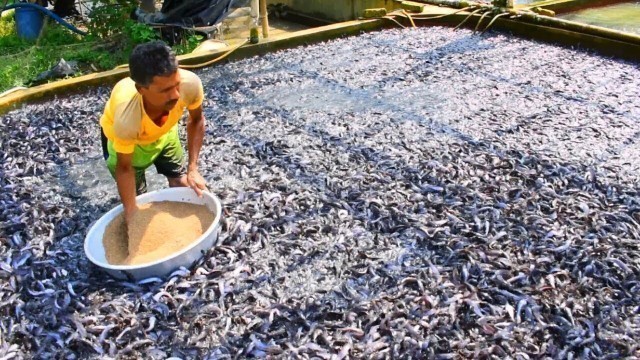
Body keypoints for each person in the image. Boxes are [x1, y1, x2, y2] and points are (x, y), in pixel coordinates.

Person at [100, 40, 208, 224]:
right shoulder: (127, 120)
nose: (175, 95)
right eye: (165, 90)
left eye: (176, 85)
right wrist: (131, 211)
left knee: (183, 182)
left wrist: (193, 169)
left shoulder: (189, 85)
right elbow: (124, 168)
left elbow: (196, 120)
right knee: (139, 200)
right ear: (141, 89)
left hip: (165, 132)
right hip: (130, 144)